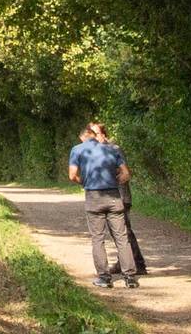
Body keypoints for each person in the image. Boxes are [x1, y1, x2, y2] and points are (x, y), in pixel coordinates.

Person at [67, 121, 142, 288]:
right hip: (114, 196)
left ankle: (104, 277)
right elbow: (126, 174)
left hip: (94, 197)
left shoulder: (77, 150)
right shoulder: (111, 149)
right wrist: (114, 182)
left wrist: (84, 183)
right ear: (95, 135)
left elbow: (72, 175)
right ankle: (130, 277)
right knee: (122, 238)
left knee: (98, 238)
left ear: (83, 137)